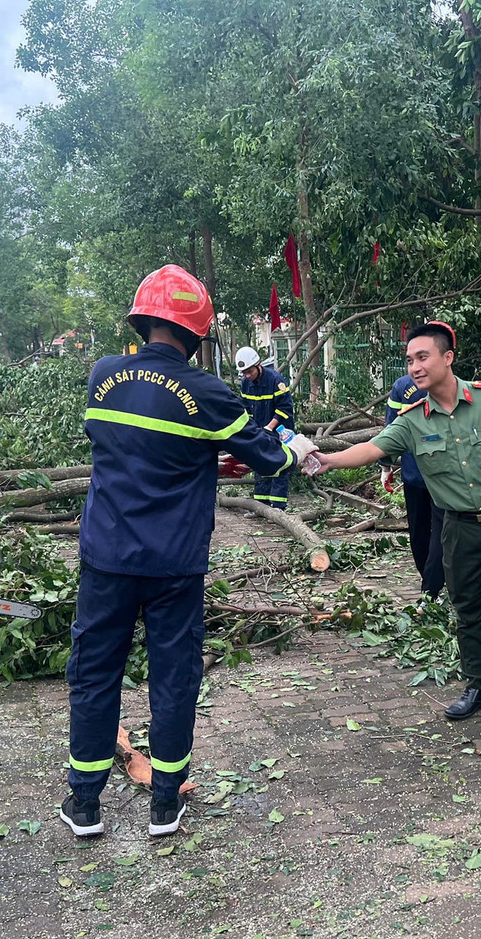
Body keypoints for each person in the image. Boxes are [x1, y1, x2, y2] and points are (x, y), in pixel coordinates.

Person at [61, 265, 310, 839]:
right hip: (174, 564)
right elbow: (266, 456)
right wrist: (297, 450)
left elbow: (132, 445)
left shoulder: (102, 376)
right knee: (174, 677)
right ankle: (165, 802)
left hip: (106, 559)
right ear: (199, 334)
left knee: (95, 675)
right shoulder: (210, 392)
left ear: (142, 320)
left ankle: (84, 805)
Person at [308, 322, 481, 719]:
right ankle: (478, 686)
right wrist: (328, 459)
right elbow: (371, 448)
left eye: (423, 357)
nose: (414, 366)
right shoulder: (412, 421)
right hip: (460, 528)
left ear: (447, 358)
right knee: (469, 608)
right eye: (410, 360)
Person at [380, 370, 445, 600]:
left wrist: (386, 465)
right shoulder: (402, 387)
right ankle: (431, 584)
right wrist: (386, 465)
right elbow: (391, 429)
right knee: (424, 533)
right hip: (419, 474)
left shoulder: (448, 382)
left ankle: (431, 589)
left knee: (434, 532)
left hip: (438, 475)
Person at [235, 346, 295, 510]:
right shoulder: (246, 383)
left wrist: (269, 427)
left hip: (280, 430)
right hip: (260, 429)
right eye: (245, 373)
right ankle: (261, 506)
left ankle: (278, 506)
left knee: (279, 464)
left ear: (258, 365)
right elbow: (245, 407)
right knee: (260, 463)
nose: (248, 376)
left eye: (250, 372)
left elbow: (285, 409)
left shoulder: (276, 381)